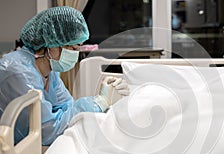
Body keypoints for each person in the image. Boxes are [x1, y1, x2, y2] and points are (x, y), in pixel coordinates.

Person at [0, 6, 129, 146]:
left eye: (79, 47)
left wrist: (101, 104)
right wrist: (98, 102)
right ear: (51, 43)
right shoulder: (18, 72)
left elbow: (67, 106)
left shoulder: (50, 70)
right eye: (73, 48)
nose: (76, 53)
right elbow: (47, 130)